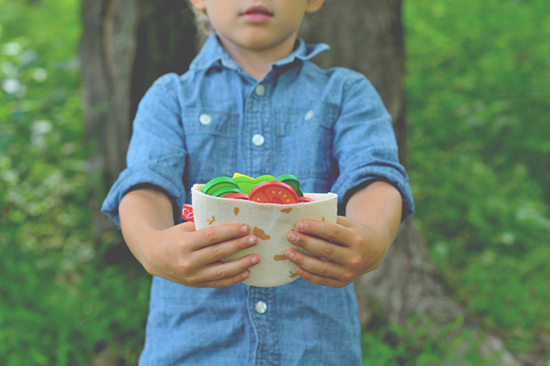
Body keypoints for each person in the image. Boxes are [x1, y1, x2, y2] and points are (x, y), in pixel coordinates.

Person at [101, 0, 414, 364]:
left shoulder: (347, 93)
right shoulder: (169, 97)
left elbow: (374, 177)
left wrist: (374, 235)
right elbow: (144, 187)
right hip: (190, 351)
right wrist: (152, 246)